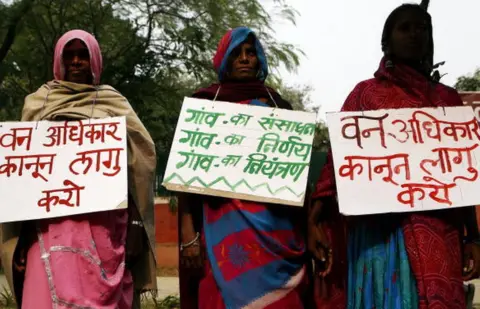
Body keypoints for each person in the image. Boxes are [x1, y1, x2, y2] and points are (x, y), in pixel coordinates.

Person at [308, 4, 480, 309]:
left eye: (422, 28)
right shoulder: (365, 95)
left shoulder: (448, 100)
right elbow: (336, 167)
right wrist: (314, 221)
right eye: (404, 28)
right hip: (381, 239)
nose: (415, 34)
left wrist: (473, 238)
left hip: (439, 232)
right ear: (386, 41)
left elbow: (462, 178)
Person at [0, 29, 157, 309]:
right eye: (69, 55)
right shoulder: (38, 103)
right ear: (58, 60)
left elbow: (139, 167)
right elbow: (24, 179)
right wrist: (21, 241)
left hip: (105, 229)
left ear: (94, 60)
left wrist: (135, 227)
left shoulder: (113, 103)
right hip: (47, 230)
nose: (75, 61)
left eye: (82, 55)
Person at [179, 26, 309, 309]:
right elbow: (185, 177)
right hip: (221, 230)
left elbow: (297, 175)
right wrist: (188, 233)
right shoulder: (204, 104)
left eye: (251, 53)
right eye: (236, 53)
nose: (245, 59)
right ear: (223, 59)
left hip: (276, 233)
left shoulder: (279, 106)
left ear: (260, 59)